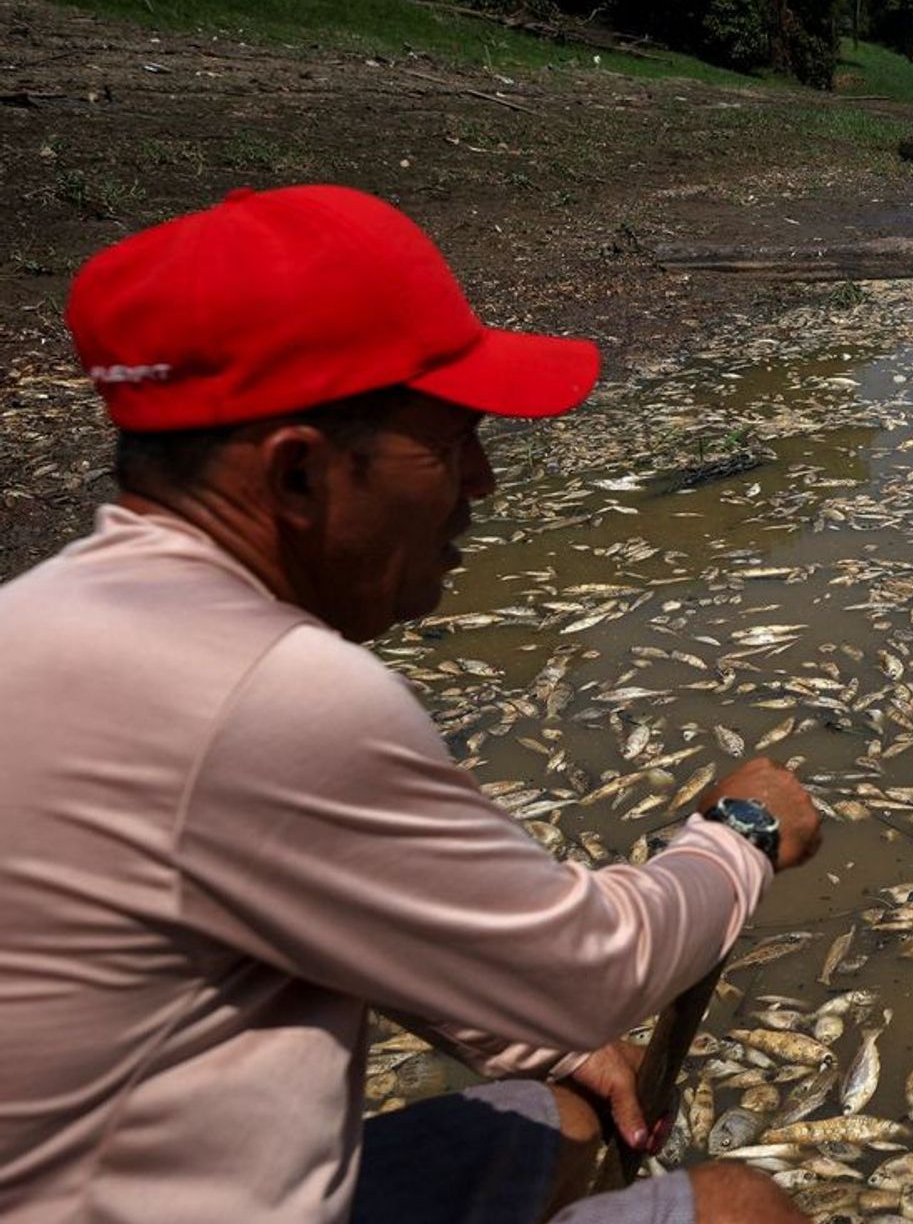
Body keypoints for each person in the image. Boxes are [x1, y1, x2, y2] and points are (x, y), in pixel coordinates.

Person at [0, 185, 822, 1223]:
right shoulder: (263, 691)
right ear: (297, 473)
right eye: (450, 439)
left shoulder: (48, 618)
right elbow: (595, 969)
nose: (480, 481)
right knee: (739, 1206)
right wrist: (737, 833)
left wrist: (532, 1029)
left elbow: (273, 890)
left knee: (560, 1111)